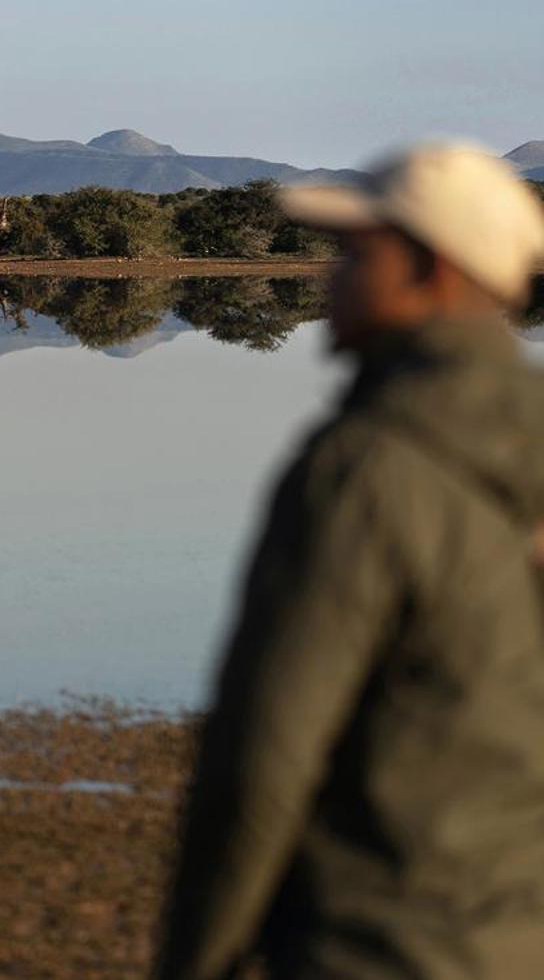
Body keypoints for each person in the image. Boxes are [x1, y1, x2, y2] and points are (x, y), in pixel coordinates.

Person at [158, 143, 544, 978]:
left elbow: (264, 759)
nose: (329, 277)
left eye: (355, 252)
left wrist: (196, 958)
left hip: (376, 948)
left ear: (430, 267)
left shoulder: (364, 470)